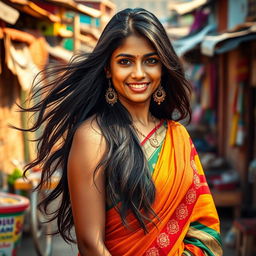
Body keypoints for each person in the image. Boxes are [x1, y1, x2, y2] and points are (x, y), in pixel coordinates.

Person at [24, 8, 222, 256]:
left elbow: (203, 225)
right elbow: (90, 244)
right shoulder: (94, 137)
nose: (139, 73)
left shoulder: (177, 136)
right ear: (108, 69)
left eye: (150, 61)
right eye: (125, 61)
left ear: (162, 68)